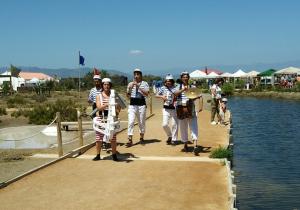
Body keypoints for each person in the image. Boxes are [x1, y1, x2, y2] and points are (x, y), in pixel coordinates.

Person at [175, 71, 203, 154]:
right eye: (183, 77)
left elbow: (199, 96)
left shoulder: (193, 87)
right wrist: (183, 89)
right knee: (183, 128)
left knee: (194, 126)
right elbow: (175, 94)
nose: (185, 78)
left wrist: (201, 106)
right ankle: (185, 144)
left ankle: (195, 146)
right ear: (181, 78)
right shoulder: (178, 86)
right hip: (180, 108)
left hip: (191, 108)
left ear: (188, 78)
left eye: (186, 77)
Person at [93, 78, 120, 161]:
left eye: (108, 84)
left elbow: (119, 107)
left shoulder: (114, 95)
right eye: (104, 84)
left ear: (110, 85)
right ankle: (98, 155)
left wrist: (116, 109)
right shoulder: (99, 96)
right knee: (99, 138)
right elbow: (98, 108)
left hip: (111, 118)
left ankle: (114, 155)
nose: (106, 86)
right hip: (102, 118)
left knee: (113, 138)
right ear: (102, 85)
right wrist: (108, 104)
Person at [126, 68, 150, 147]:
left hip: (141, 104)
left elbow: (147, 94)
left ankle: (141, 136)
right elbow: (127, 96)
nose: (136, 76)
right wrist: (129, 89)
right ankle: (130, 139)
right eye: (135, 74)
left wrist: (138, 87)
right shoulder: (130, 84)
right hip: (132, 104)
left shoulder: (145, 83)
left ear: (140, 75)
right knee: (131, 121)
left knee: (141, 122)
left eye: (138, 74)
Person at [155, 74, 178, 145]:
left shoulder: (176, 88)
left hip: (174, 108)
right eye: (167, 81)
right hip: (166, 108)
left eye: (169, 81)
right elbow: (156, 95)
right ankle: (170, 135)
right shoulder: (162, 88)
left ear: (172, 81)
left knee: (174, 124)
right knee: (164, 124)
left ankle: (174, 139)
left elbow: (179, 95)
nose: (168, 82)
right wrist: (162, 96)